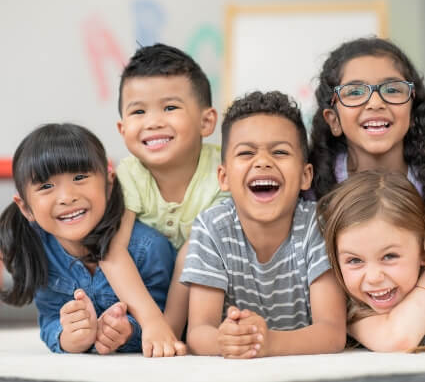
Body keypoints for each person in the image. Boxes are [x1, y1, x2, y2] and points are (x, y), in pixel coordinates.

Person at [180, 91, 346, 358]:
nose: (263, 161)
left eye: (280, 152)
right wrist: (225, 342)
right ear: (223, 177)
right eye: (246, 153)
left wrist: (266, 343)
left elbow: (332, 332)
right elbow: (199, 332)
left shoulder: (318, 225)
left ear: (306, 176)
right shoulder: (211, 228)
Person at [0, 123, 176, 354]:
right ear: (26, 208)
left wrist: (128, 331)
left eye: (80, 177)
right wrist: (67, 338)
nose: (67, 197)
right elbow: (50, 318)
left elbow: (172, 322)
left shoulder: (148, 247)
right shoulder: (38, 249)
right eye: (46, 186)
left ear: (109, 183)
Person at [99, 43, 228, 356]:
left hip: (211, 299)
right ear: (122, 127)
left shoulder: (222, 170)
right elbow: (112, 253)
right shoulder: (129, 174)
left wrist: (167, 328)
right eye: (139, 111)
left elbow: (193, 253)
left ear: (206, 122)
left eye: (170, 108)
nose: (153, 121)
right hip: (147, 297)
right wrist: (152, 321)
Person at [317, 170, 425, 352]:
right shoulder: (351, 310)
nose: (374, 278)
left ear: (422, 251)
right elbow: (396, 340)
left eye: (389, 256)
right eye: (354, 260)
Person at [309, 37, 425, 200]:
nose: (376, 103)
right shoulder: (311, 192)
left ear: (412, 112)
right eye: (355, 92)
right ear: (334, 120)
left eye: (392, 90)